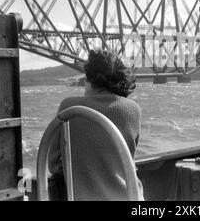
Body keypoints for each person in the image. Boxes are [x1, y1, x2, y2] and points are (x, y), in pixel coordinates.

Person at [48, 49, 143, 201]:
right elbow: (129, 155)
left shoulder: (69, 108)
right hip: (132, 197)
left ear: (90, 80)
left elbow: (53, 164)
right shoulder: (133, 109)